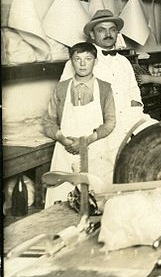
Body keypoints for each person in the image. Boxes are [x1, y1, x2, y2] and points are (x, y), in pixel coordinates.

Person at [59, 9, 146, 176]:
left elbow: (135, 94)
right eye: (101, 30)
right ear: (92, 34)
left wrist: (132, 119)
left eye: (112, 29)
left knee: (115, 182)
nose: (108, 34)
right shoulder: (79, 61)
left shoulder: (124, 62)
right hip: (90, 134)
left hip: (121, 132)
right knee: (86, 187)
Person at [42, 42, 117, 206]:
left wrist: (86, 141)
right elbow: (48, 121)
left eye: (88, 58)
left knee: (96, 200)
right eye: (77, 59)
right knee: (60, 198)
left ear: (95, 61)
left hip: (95, 148)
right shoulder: (61, 88)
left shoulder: (105, 88)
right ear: (71, 62)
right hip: (65, 151)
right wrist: (62, 139)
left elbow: (110, 122)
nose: (83, 64)